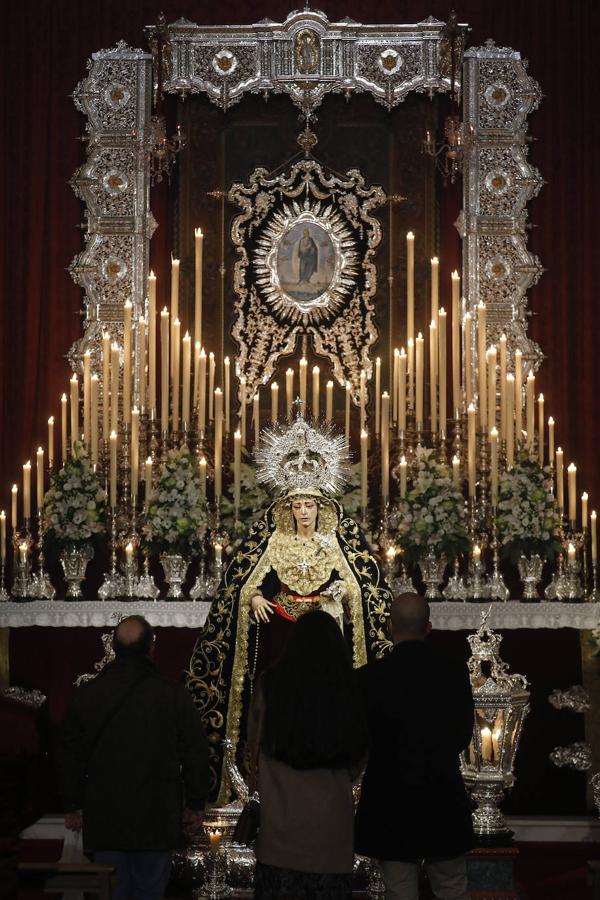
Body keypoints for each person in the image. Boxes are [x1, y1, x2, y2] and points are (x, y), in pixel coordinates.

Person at [186, 414, 392, 804]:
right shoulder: (274, 540)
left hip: (326, 636)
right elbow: (243, 583)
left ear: (320, 508)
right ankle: (259, 779)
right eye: (297, 504)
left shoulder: (335, 543)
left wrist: (337, 596)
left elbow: (359, 587)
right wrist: (255, 598)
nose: (303, 512)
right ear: (288, 508)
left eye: (309, 505)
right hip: (280, 631)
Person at [59, 615, 209, 900]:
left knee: (112, 890)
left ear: (114, 648)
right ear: (151, 648)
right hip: (156, 817)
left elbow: (69, 752)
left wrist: (71, 803)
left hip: (106, 816)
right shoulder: (172, 695)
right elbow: (195, 751)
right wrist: (195, 803)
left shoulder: (88, 694)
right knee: (150, 890)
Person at [355, 593, 474, 900]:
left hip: (389, 797)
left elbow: (362, 740)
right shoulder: (454, 673)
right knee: (452, 887)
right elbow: (462, 735)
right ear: (428, 627)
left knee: (399, 890)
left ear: (390, 628)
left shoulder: (369, 678)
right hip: (442, 793)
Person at [249, 610, 368, 900]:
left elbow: (253, 748)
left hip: (280, 827)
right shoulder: (351, 688)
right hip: (331, 834)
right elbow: (359, 755)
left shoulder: (270, 686)